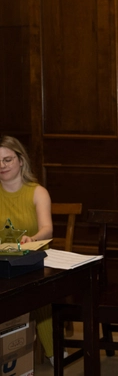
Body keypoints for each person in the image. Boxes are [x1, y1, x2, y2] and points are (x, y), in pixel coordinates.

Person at [0, 136, 56, 362]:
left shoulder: (37, 191)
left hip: (33, 258)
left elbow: (47, 230)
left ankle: (52, 352)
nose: (2, 166)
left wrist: (31, 238)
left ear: (21, 160)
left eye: (7, 160)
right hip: (3, 260)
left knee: (37, 292)